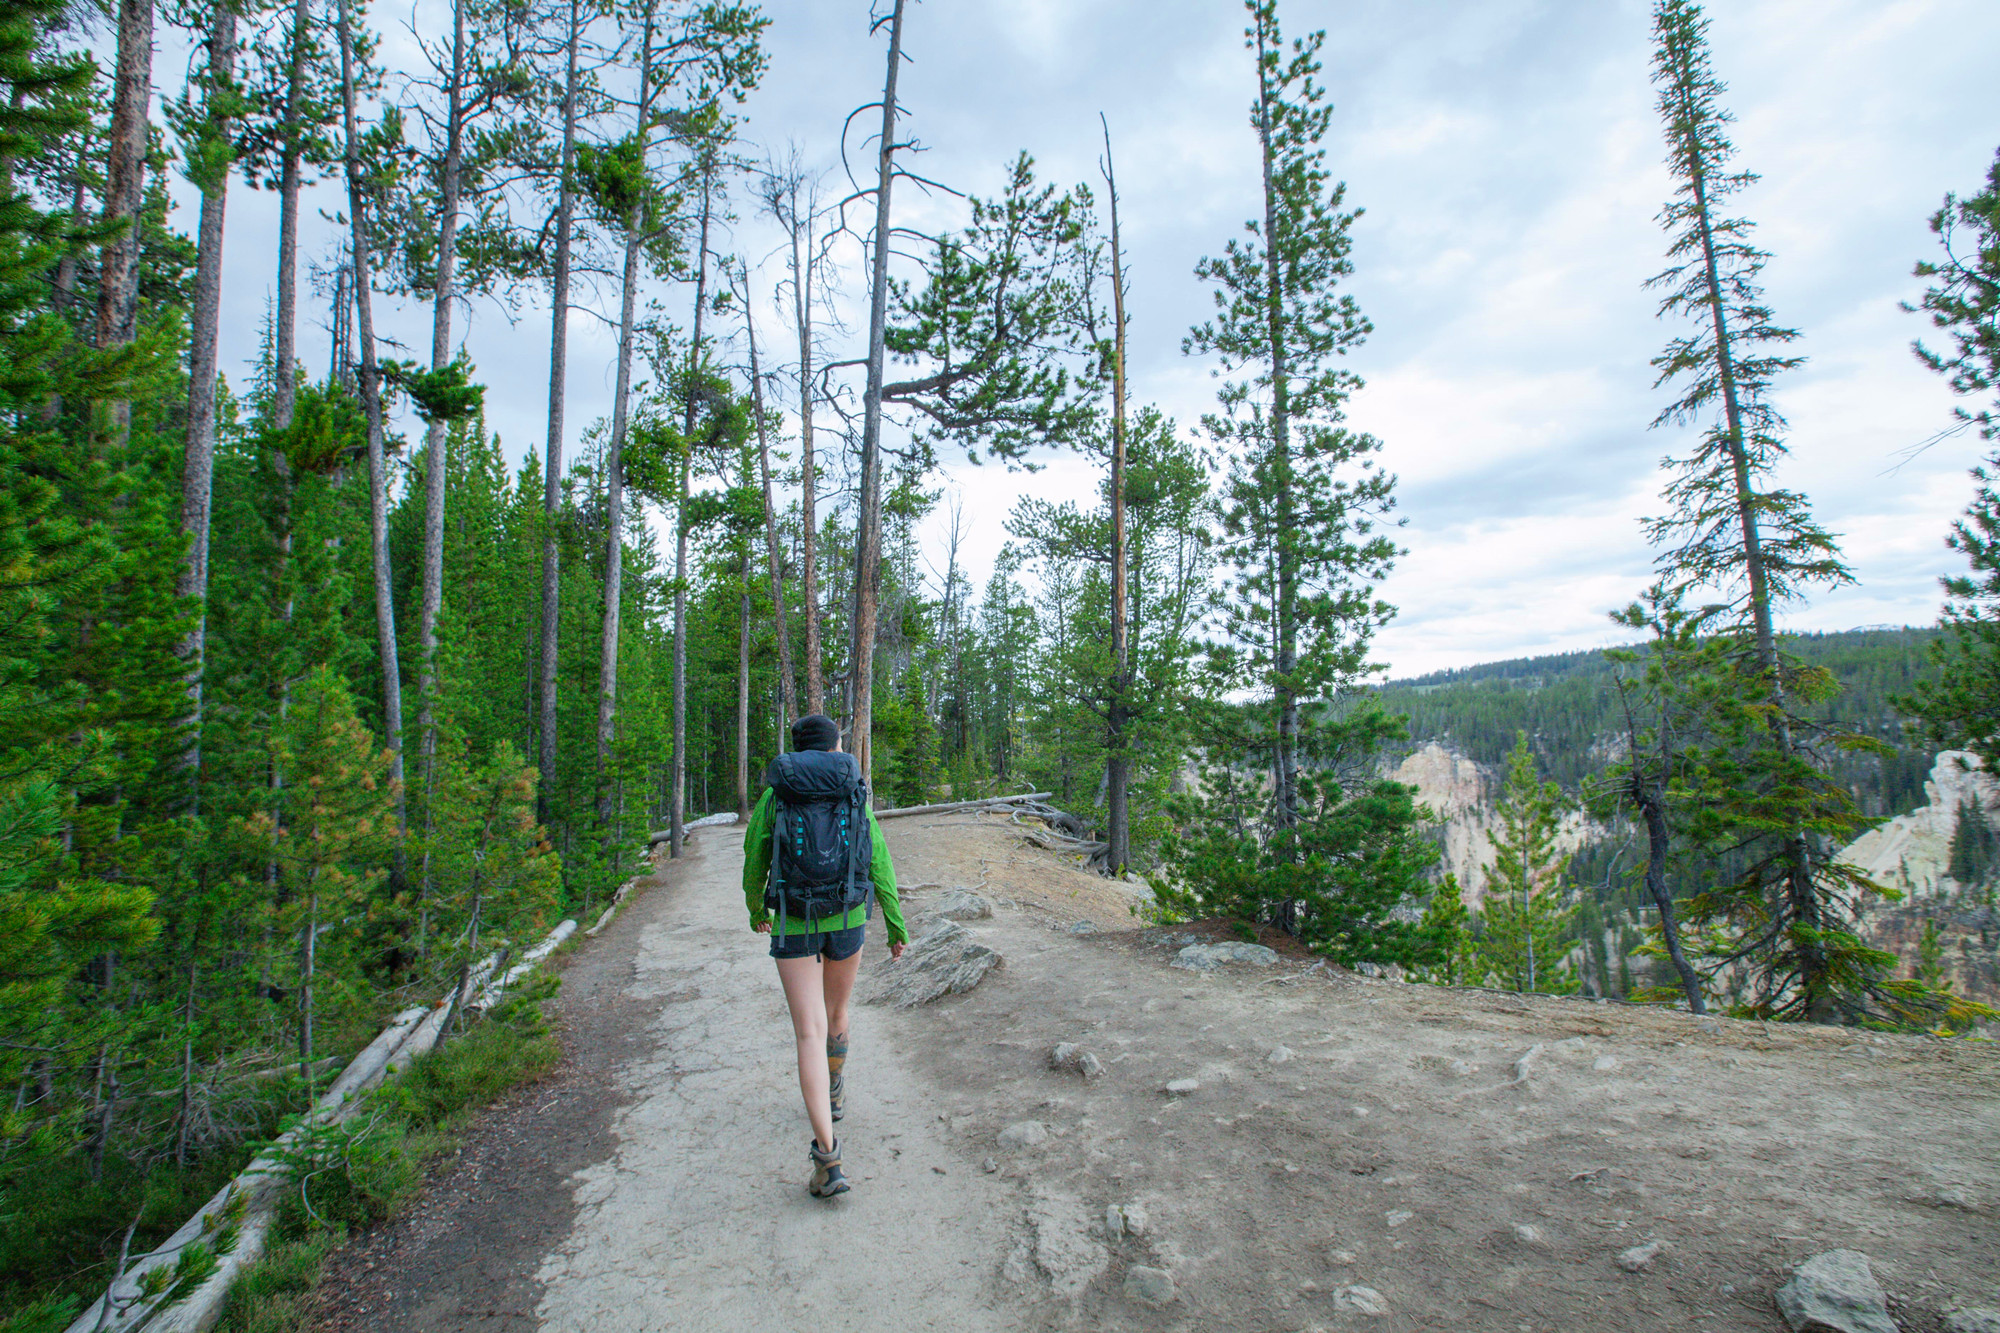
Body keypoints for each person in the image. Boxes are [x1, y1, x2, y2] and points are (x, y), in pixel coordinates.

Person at [742, 713, 907, 1198]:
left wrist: (757, 908)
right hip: (848, 917)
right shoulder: (852, 791)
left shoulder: (778, 795)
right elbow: (879, 857)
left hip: (794, 919)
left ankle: (828, 1160)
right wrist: (895, 923)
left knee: (807, 1033)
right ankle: (835, 1091)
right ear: (835, 747)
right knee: (837, 1015)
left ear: (797, 749)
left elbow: (755, 856)